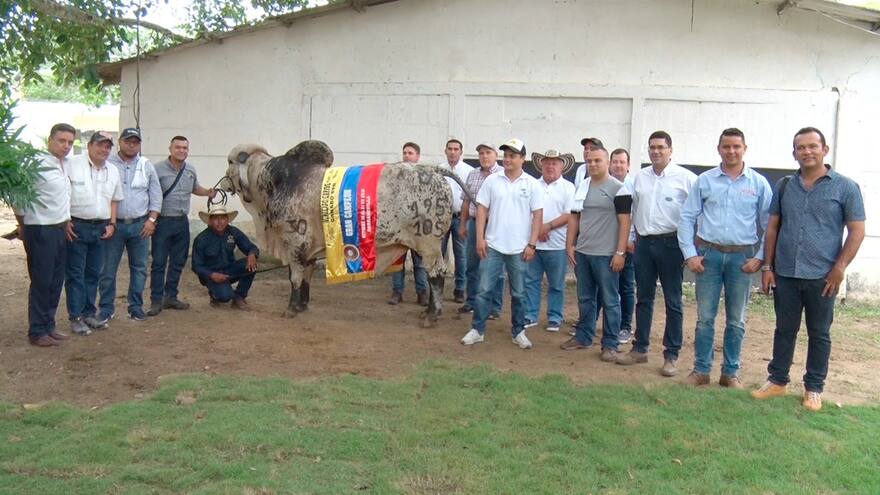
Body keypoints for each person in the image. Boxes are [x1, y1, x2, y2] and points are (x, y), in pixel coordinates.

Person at [752, 127, 865, 411]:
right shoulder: (785, 185)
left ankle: (813, 388)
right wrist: (767, 266)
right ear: (794, 153)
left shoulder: (845, 187)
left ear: (824, 150)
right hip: (786, 273)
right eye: (801, 148)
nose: (807, 152)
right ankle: (777, 381)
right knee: (784, 329)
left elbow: (856, 230)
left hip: (822, 276)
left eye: (813, 146)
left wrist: (839, 268)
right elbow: (773, 227)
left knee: (819, 333)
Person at [678, 128, 772, 388]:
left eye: (736, 146)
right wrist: (690, 255)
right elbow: (687, 217)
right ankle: (701, 371)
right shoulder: (705, 181)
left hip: (741, 260)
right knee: (705, 318)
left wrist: (761, 258)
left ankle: (730, 373)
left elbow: (771, 225)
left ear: (744, 148)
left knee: (736, 319)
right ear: (718, 149)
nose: (731, 151)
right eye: (726, 146)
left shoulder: (758, 183)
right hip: (708, 258)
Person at [616, 130, 696, 377]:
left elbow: (696, 213)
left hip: (672, 245)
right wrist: (630, 239)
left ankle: (671, 354)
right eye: (652, 147)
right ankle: (640, 349)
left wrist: (690, 248)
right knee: (644, 297)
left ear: (670, 150)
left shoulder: (687, 178)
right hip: (644, 244)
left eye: (661, 147)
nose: (656, 151)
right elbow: (629, 208)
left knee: (673, 300)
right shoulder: (639, 177)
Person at [461, 138, 544, 349]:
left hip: (519, 248)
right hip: (493, 246)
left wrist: (532, 244)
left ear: (522, 159)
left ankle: (518, 331)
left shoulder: (532, 184)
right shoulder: (492, 181)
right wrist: (480, 238)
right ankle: (477, 330)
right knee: (483, 289)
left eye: (512, 156)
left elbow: (537, 215)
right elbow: (481, 210)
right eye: (505, 155)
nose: (507, 159)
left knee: (518, 293)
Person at [562, 147, 632, 362]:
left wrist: (620, 252)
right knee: (585, 298)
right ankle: (584, 336)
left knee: (610, 300)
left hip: (606, 255)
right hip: (583, 252)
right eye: (590, 161)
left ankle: (610, 344)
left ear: (608, 162)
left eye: (598, 160)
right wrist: (570, 244)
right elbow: (574, 216)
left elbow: (625, 222)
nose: (593, 164)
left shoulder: (619, 189)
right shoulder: (583, 186)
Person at [13, 123, 75, 347]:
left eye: (70, 142)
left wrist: (66, 220)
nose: (66, 146)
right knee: (42, 280)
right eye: (61, 141)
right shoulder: (34, 163)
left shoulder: (66, 164)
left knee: (56, 280)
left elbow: (63, 198)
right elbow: (17, 197)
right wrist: (24, 225)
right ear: (50, 140)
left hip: (59, 228)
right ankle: (37, 331)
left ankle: (49, 325)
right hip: (39, 228)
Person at [97, 127, 161, 325]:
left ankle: (135, 307)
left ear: (139, 144)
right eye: (128, 141)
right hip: (113, 226)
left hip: (140, 226)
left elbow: (155, 195)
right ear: (120, 142)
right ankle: (106, 309)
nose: (131, 145)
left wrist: (151, 220)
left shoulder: (146, 165)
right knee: (108, 269)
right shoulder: (107, 164)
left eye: (135, 142)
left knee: (140, 268)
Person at [148, 136, 216, 316]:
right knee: (159, 262)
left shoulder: (190, 170)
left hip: (181, 222)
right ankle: (156, 300)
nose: (181, 151)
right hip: (163, 222)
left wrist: (207, 192)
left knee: (178, 262)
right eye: (178, 147)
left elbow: (195, 188)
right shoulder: (157, 169)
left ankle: (171, 296)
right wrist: (151, 220)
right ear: (170, 149)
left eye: (185, 148)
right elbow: (150, 194)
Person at [65, 131, 124, 336]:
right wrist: (65, 221)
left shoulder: (113, 170)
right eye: (100, 145)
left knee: (93, 274)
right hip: (77, 226)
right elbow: (63, 194)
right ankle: (75, 317)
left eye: (108, 146)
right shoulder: (72, 165)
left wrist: (112, 224)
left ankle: (89, 314)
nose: (104, 150)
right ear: (89, 145)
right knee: (75, 274)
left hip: (101, 228)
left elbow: (115, 199)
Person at [523, 149, 575, 333]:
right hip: (533, 243)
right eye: (547, 162)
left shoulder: (568, 187)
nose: (550, 166)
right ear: (541, 165)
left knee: (557, 284)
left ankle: (554, 317)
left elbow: (570, 215)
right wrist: (537, 231)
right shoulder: (532, 185)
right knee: (531, 281)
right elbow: (526, 211)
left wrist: (548, 226)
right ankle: (530, 314)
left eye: (554, 163)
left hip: (557, 244)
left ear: (561, 166)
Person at [457, 142, 505, 318]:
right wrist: (462, 224)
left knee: (496, 269)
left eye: (488, 152)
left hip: (494, 226)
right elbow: (466, 202)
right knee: (472, 265)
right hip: (474, 223)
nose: (484, 156)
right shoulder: (473, 174)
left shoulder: (502, 175)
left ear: (495, 155)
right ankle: (471, 301)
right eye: (481, 153)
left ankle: (495, 307)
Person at [191, 204, 259, 310]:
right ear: (210, 221)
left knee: (251, 265)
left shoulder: (233, 232)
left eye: (222, 218)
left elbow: (250, 247)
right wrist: (212, 275)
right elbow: (196, 266)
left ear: (227, 219)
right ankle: (214, 294)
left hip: (229, 270)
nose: (220, 222)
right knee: (225, 296)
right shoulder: (201, 239)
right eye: (216, 219)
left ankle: (239, 296)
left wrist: (252, 254)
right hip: (211, 275)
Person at [388, 141, 429, 306]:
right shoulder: (394, 175)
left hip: (417, 225)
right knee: (397, 261)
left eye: (410, 153)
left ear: (417, 156)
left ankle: (422, 293)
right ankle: (397, 292)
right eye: (405, 152)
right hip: (398, 225)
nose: (407, 155)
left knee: (420, 262)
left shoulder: (424, 176)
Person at [439, 139, 471, 303]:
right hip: (441, 218)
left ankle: (460, 290)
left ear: (461, 151)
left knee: (461, 256)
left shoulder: (468, 171)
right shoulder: (438, 169)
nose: (453, 152)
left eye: (456, 149)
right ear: (445, 151)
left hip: (460, 218)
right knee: (439, 255)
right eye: (450, 149)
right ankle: (437, 290)